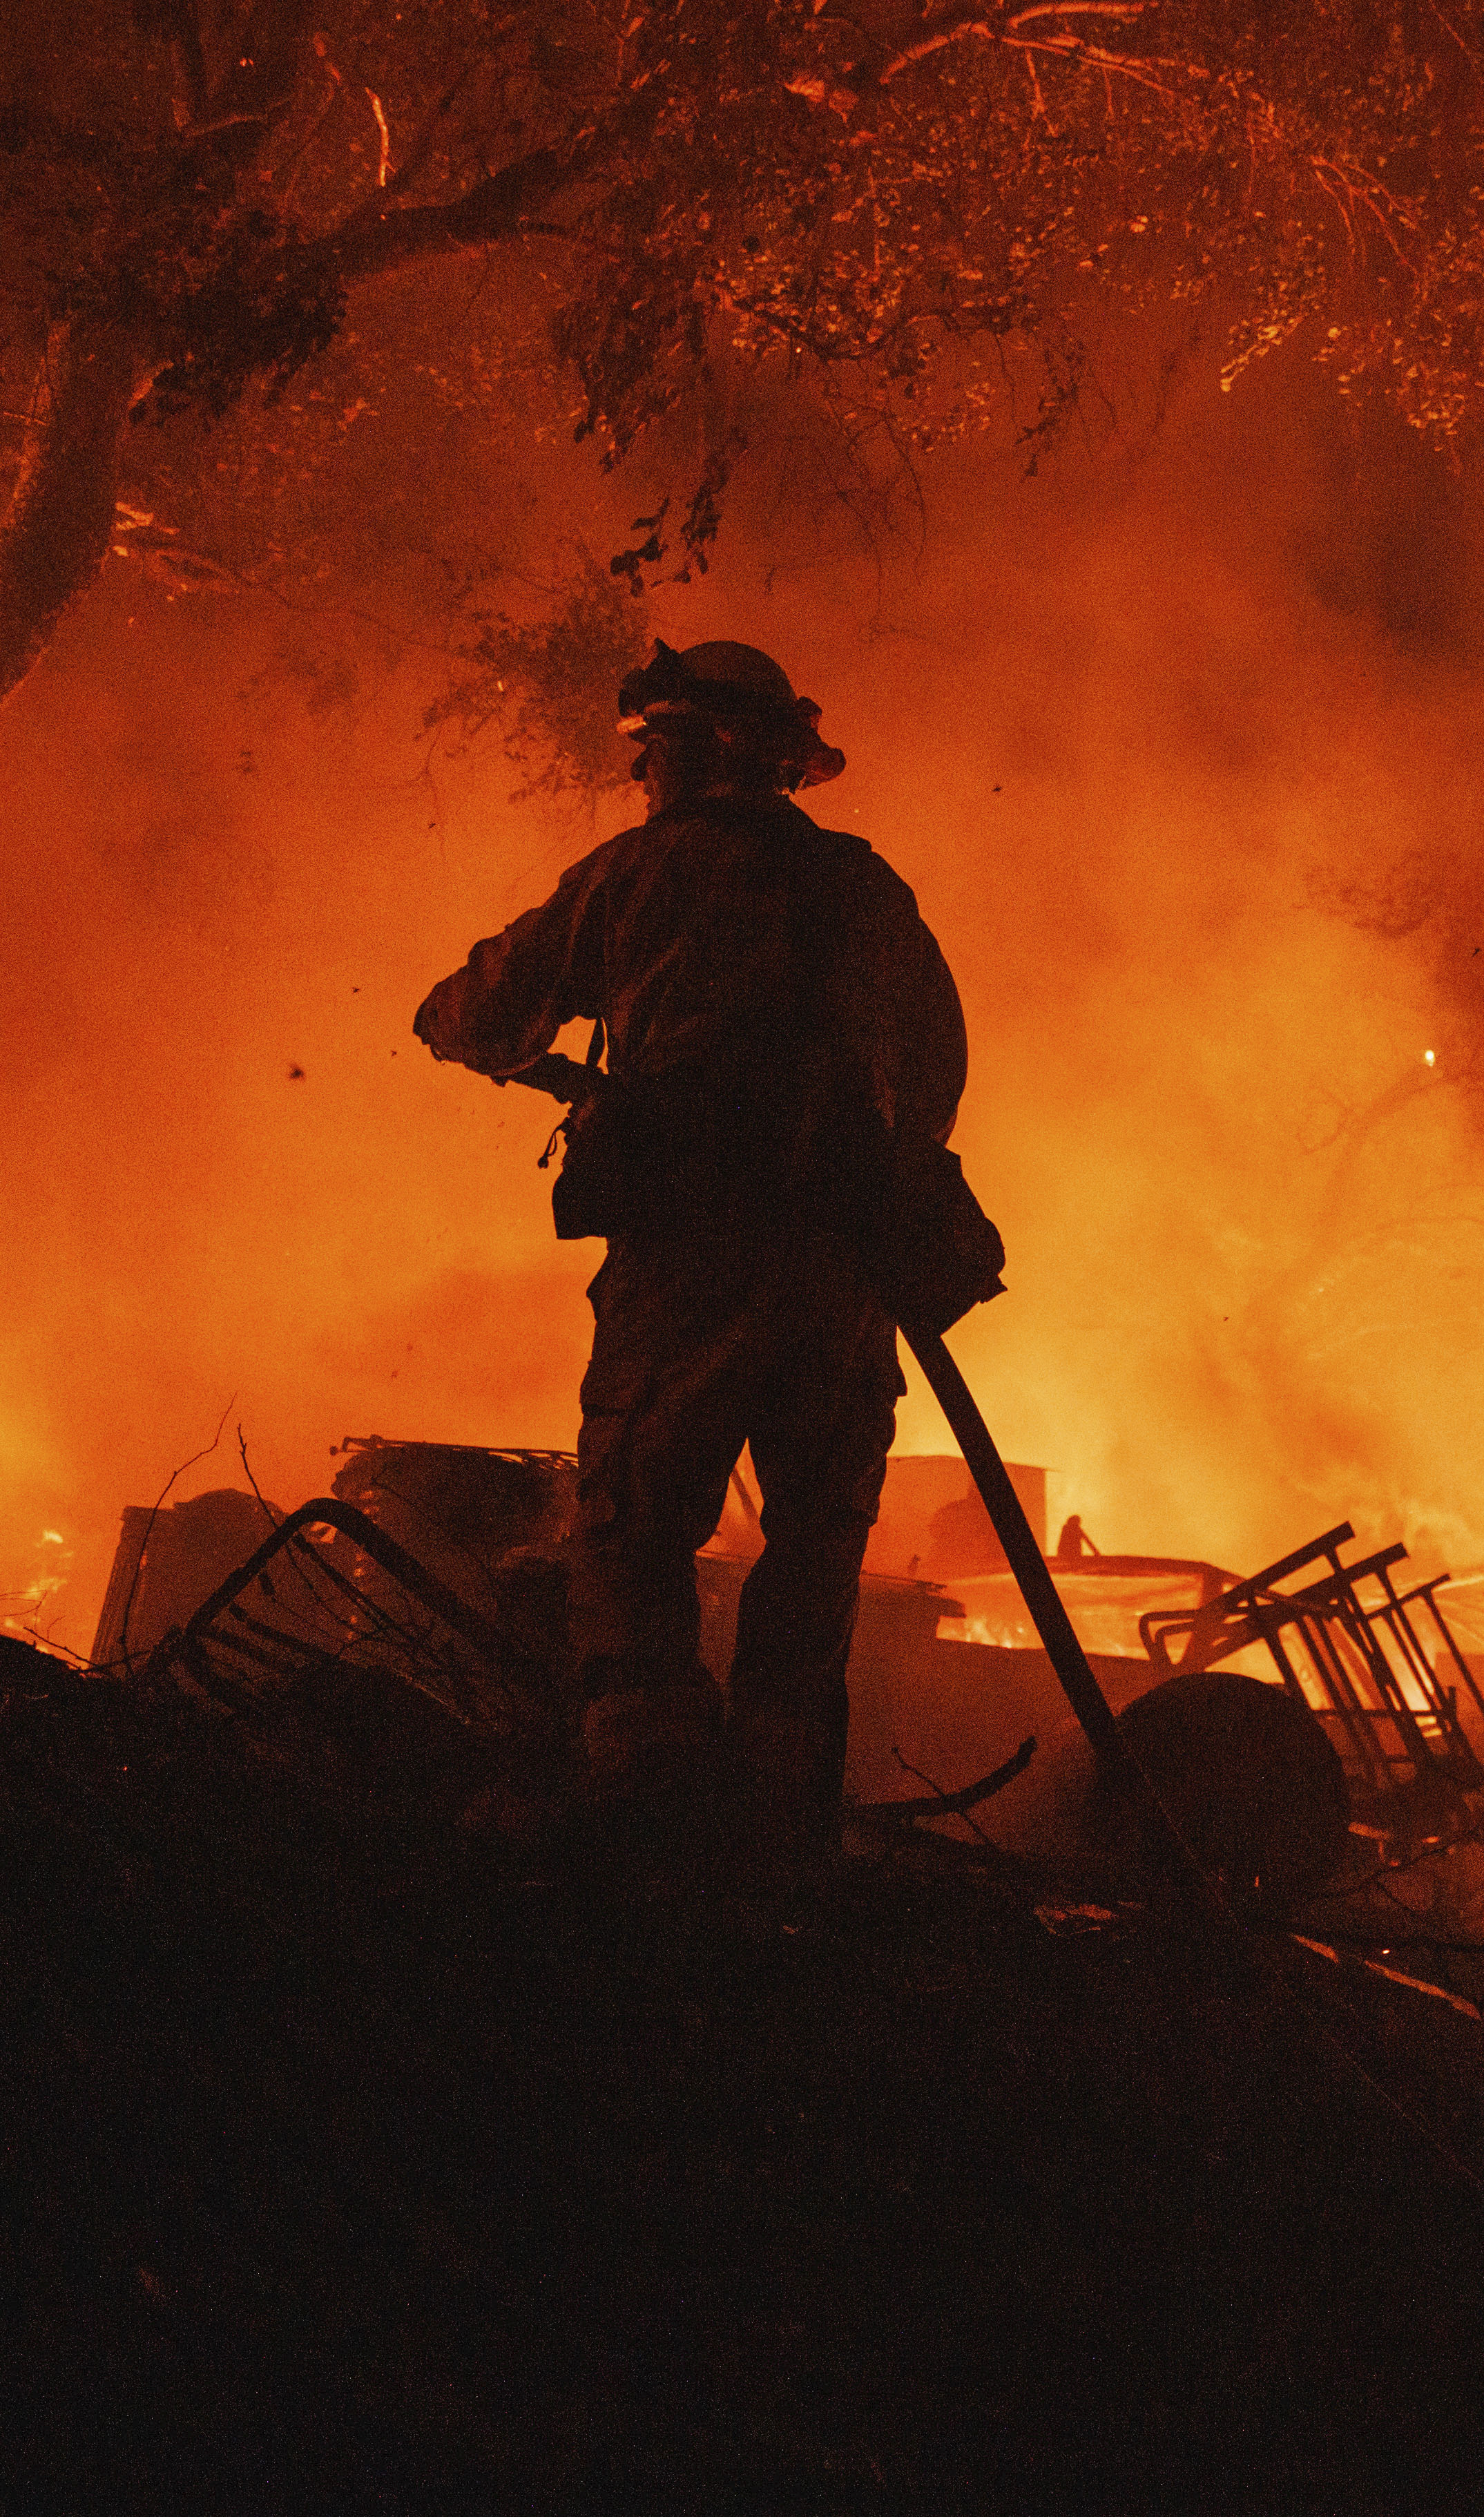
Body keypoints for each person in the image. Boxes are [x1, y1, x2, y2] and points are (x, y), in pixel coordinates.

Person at [414, 638, 965, 1850]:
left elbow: (481, 1010)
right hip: (846, 1271)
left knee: (636, 1520)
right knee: (818, 1543)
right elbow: (935, 1073)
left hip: (693, 1254)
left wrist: (461, 1030)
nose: (644, 777)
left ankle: (650, 1827)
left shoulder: (642, 873)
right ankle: (778, 1831)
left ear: (696, 749)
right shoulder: (872, 893)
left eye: (652, 751)